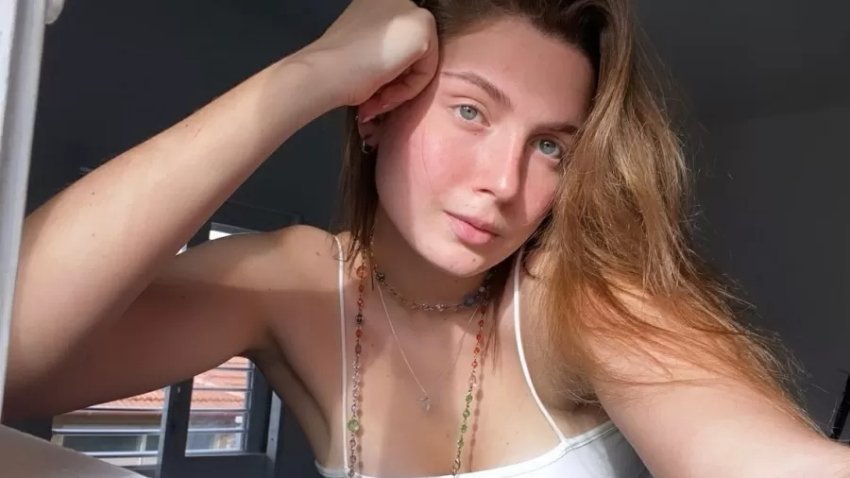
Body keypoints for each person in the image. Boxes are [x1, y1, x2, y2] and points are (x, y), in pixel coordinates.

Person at [5, 0, 850, 476]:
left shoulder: (576, 298)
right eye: (472, 110)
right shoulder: (294, 284)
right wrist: (309, 75)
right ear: (377, 108)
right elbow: (11, 356)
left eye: (551, 146)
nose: (505, 182)